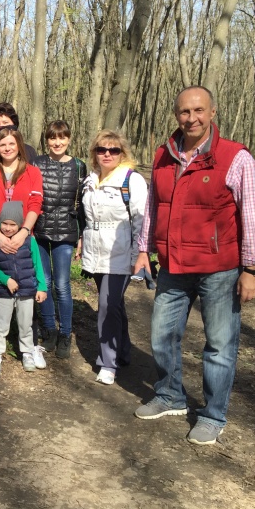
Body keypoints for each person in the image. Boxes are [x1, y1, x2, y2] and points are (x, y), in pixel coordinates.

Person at [133, 86, 255, 445]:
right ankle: (170, 395)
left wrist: (252, 269)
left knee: (219, 345)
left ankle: (213, 414)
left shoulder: (235, 157)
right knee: (162, 334)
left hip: (219, 269)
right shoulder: (164, 155)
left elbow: (253, 215)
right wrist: (144, 249)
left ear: (212, 112)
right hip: (173, 264)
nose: (191, 118)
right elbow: (154, 207)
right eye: (184, 112)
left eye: (198, 111)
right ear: (176, 114)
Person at [80, 130, 147, 386]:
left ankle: (108, 362)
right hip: (95, 252)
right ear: (94, 153)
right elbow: (87, 217)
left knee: (107, 306)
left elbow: (141, 220)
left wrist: (138, 257)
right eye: (101, 149)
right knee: (114, 304)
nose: (107, 154)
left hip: (120, 254)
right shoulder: (90, 180)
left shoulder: (132, 180)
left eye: (113, 150)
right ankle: (124, 351)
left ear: (122, 153)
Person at [0, 126, 43, 353]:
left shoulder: (32, 172)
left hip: (24, 238)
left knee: (27, 285)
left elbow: (35, 205)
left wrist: (24, 232)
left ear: (19, 146)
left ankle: (30, 343)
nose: (7, 148)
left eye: (11, 144)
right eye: (2, 144)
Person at [32, 120, 87, 358]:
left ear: (69, 139)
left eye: (62, 138)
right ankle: (49, 330)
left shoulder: (79, 166)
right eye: (53, 138)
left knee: (62, 285)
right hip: (40, 231)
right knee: (43, 281)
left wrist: (82, 235)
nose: (58, 142)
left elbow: (84, 204)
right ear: (47, 140)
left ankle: (65, 333)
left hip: (66, 232)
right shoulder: (37, 163)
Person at [0, 201, 48, 378]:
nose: (8, 228)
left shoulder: (29, 241)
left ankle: (27, 353)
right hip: (4, 291)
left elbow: (37, 265)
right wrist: (6, 280)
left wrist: (41, 287)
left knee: (25, 323)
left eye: (13, 224)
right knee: (1, 324)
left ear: (20, 224)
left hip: (27, 290)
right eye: (5, 223)